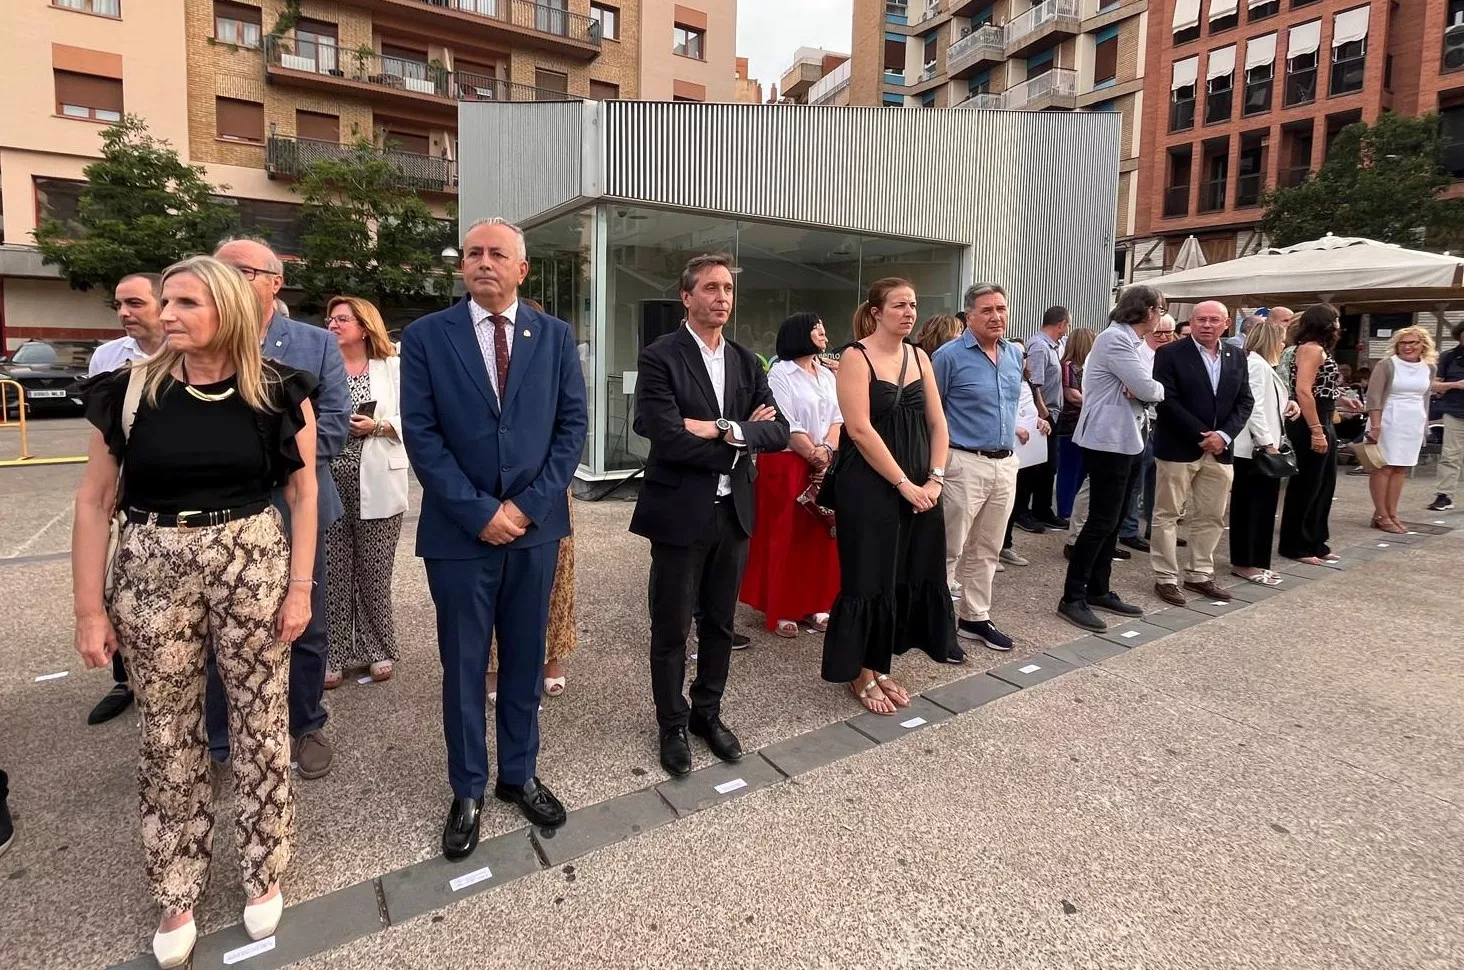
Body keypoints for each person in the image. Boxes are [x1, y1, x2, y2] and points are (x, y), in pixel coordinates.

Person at [72, 256, 319, 967]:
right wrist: (91, 609)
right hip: (152, 562)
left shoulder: (276, 392)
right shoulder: (127, 392)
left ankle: (263, 867)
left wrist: (300, 588)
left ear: (228, 313)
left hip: (252, 560)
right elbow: (93, 502)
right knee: (166, 729)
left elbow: (302, 497)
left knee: (259, 715)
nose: (166, 312)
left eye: (185, 302)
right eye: (165, 300)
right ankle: (176, 884)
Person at [400, 218, 587, 858]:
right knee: (463, 666)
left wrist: (528, 507)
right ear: (463, 267)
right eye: (473, 253)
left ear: (521, 269)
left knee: (527, 659)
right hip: (460, 535)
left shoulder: (556, 337)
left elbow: (571, 429)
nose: (483, 262)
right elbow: (421, 435)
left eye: (496, 254)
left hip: (534, 533)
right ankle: (468, 788)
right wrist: (478, 510)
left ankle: (519, 774)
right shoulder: (427, 337)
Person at [630, 253, 788, 775]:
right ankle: (671, 722)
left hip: (733, 512)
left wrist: (720, 427)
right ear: (687, 296)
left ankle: (707, 712)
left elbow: (779, 430)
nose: (722, 297)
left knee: (720, 623)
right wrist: (741, 434)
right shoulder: (661, 356)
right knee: (672, 626)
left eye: (728, 289)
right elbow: (664, 434)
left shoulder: (746, 360)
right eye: (711, 288)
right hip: (680, 511)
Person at [210, 238, 349, 780]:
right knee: (221, 626)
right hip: (222, 512)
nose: (228, 279)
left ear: (274, 281)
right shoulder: (202, 342)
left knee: (304, 624)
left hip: (298, 506)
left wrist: (269, 463)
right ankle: (221, 737)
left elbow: (335, 422)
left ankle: (305, 722)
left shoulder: (314, 345)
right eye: (219, 270)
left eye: (241, 271)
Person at [823, 278, 955, 714]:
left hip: (920, 483)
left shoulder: (920, 355)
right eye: (899, 305)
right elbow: (858, 429)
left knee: (902, 572)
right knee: (868, 576)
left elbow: (938, 422)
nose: (909, 312)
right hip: (870, 485)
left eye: (913, 305)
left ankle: (880, 663)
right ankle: (861, 672)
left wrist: (935, 478)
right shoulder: (855, 357)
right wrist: (904, 484)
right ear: (877, 311)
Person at [1056, 284, 1165, 633]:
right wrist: (1151, 390)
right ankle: (1072, 597)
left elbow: (1144, 387)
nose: (1161, 317)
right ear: (1147, 311)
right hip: (1108, 440)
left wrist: (1147, 389)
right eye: (1159, 310)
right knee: (1102, 520)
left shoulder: (1132, 342)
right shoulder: (1116, 339)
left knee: (1115, 519)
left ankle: (1099, 589)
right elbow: (1149, 389)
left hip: (1128, 439)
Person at [85, 272, 166, 726]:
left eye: (135, 303)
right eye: (119, 304)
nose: (124, 313)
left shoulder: (188, 353)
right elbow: (103, 435)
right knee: (122, 589)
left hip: (169, 488)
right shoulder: (108, 358)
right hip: (125, 487)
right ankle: (125, 679)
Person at [932, 284, 1025, 653]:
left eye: (1001, 308)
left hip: (1004, 464)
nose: (996, 316)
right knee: (949, 549)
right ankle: (936, 624)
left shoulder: (1013, 355)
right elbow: (931, 413)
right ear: (968, 315)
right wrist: (935, 469)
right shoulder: (948, 356)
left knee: (988, 547)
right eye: (986, 310)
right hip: (963, 462)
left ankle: (974, 617)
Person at [321, 296, 407, 688]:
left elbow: (417, 415)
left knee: (373, 573)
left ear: (364, 326)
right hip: (327, 481)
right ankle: (333, 653)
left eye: (342, 319)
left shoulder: (392, 368)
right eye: (330, 319)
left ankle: (378, 648)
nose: (333, 324)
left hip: (377, 477)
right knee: (333, 572)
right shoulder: (321, 367)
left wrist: (379, 426)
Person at [739, 313, 842, 637]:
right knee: (784, 536)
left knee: (820, 534)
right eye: (817, 328)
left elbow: (839, 417)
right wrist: (812, 453)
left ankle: (818, 604)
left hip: (823, 459)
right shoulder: (780, 374)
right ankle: (781, 608)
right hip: (787, 463)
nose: (824, 333)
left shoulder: (826, 374)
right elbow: (785, 422)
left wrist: (825, 451)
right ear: (800, 334)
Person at [1147, 300, 1253, 606]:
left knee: (1211, 515)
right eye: (1200, 320)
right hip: (1179, 447)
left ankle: (1200, 574)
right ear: (1190, 323)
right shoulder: (1169, 353)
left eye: (1213, 320)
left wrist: (1223, 435)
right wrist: (1201, 436)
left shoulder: (1236, 355)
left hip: (1220, 451)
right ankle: (1166, 577)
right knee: (1167, 514)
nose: (1206, 325)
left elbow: (1245, 401)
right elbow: (1166, 400)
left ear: (1226, 324)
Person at [1229, 318, 1298, 584]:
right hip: (1253, 449)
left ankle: (1256, 560)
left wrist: (1287, 404)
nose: (1283, 345)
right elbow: (1253, 407)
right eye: (1281, 341)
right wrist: (1266, 441)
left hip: (1260, 445)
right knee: (1251, 508)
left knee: (1263, 506)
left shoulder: (1262, 366)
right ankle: (1246, 562)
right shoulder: (1256, 365)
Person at [1278, 304, 1345, 565]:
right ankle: (1296, 544)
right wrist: (1317, 430)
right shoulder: (1311, 349)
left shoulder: (1319, 349)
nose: (1339, 325)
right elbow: (1304, 390)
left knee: (1325, 484)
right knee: (1307, 485)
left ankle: (1316, 541)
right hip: (1311, 421)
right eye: (1336, 320)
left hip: (1323, 417)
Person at [1365, 327, 1439, 533]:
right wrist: (1376, 425)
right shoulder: (1387, 365)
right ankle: (1381, 515)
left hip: (1413, 421)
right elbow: (1374, 397)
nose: (1408, 347)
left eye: (1413, 342)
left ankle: (1392, 513)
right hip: (1388, 419)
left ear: (1423, 344)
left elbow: (1425, 396)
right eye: (1403, 343)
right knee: (1384, 467)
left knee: (1401, 468)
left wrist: (1424, 426)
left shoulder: (1429, 367)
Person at [1118, 313, 1177, 552]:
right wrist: (1155, 392)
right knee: (1137, 480)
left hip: (1167, 423)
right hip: (1144, 422)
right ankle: (1129, 529)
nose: (1163, 337)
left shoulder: (1172, 356)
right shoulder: (1138, 353)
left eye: (1168, 333)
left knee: (1161, 481)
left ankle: (1156, 527)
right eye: (1158, 333)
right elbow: (1138, 390)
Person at [1012, 305, 1069, 532]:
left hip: (1050, 414)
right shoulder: (1038, 346)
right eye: (1067, 324)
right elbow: (1033, 383)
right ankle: (1023, 512)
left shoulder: (1053, 346)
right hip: (1038, 416)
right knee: (1033, 468)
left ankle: (1042, 510)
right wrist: (1041, 413)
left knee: (1047, 468)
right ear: (1061, 323)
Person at [999, 350, 1052, 570]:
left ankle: (1005, 545)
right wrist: (1015, 428)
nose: (1021, 359)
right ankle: (992, 549)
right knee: (1002, 502)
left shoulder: (1027, 383)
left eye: (1023, 355)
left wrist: (1040, 421)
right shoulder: (999, 380)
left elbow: (1034, 411)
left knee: (1019, 498)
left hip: (1029, 450)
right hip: (1008, 448)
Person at [1054, 327, 1097, 521]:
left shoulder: (1088, 366)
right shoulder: (1069, 366)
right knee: (1069, 469)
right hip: (1071, 424)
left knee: (1081, 469)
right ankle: (1065, 510)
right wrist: (1096, 401)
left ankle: (1074, 509)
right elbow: (1071, 394)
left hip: (1085, 422)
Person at [1427, 321, 1464, 512]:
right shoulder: (1449, 357)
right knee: (1450, 455)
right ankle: (1445, 495)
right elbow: (1433, 385)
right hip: (1455, 412)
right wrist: (1455, 385)